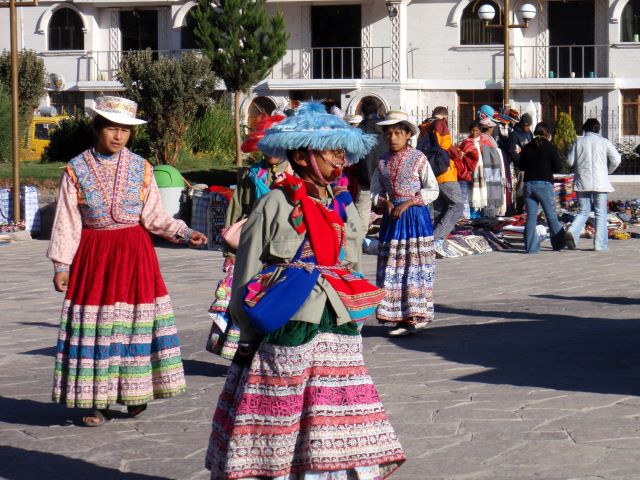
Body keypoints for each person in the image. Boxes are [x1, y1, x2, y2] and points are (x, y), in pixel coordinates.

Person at [205, 102, 406, 479]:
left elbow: (351, 266)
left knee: (335, 414)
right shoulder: (274, 205)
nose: (339, 160)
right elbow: (246, 275)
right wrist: (246, 333)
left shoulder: (341, 207)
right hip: (291, 323)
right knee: (283, 414)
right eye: (331, 151)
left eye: (341, 151)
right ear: (301, 155)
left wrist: (356, 314)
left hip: (336, 323)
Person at [47, 96, 207, 426]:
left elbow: (154, 216)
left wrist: (182, 231)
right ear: (96, 128)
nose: (118, 136)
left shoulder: (142, 168)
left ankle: (137, 393)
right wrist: (62, 264)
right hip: (95, 257)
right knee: (97, 328)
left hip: (135, 256)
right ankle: (96, 402)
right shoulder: (76, 170)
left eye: (124, 130)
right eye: (111, 128)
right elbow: (67, 220)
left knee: (136, 325)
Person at [210, 113, 290, 360]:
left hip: (285, 250)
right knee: (247, 296)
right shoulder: (252, 176)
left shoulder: (296, 174)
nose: (270, 151)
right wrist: (231, 253)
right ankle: (245, 351)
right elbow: (235, 212)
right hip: (253, 247)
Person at [372, 110, 439, 336]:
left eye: (397, 133)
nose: (392, 138)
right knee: (394, 266)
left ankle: (416, 315)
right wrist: (385, 202)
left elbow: (432, 190)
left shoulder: (419, 158)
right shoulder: (382, 162)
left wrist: (409, 203)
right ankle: (399, 316)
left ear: (408, 134)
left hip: (414, 220)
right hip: (392, 220)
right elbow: (374, 191)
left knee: (414, 265)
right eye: (389, 133)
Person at [565, 118, 621, 252]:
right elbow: (617, 159)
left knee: (583, 211)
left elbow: (569, 162)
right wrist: (608, 171)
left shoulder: (578, 142)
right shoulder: (604, 142)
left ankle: (572, 232)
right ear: (598, 129)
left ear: (585, 129)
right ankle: (599, 244)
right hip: (600, 182)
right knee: (600, 213)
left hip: (582, 181)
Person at [421, 106, 464, 258]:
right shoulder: (440, 124)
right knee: (457, 205)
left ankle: (433, 243)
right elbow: (445, 145)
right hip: (445, 172)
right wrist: (458, 152)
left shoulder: (425, 127)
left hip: (433, 171)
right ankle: (436, 240)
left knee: (440, 208)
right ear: (445, 117)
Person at [519, 122, 566, 253]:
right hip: (544, 184)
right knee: (551, 216)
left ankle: (531, 248)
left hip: (529, 184)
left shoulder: (527, 147)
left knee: (531, 217)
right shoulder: (550, 147)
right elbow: (558, 167)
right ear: (547, 133)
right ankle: (560, 243)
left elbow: (521, 166)